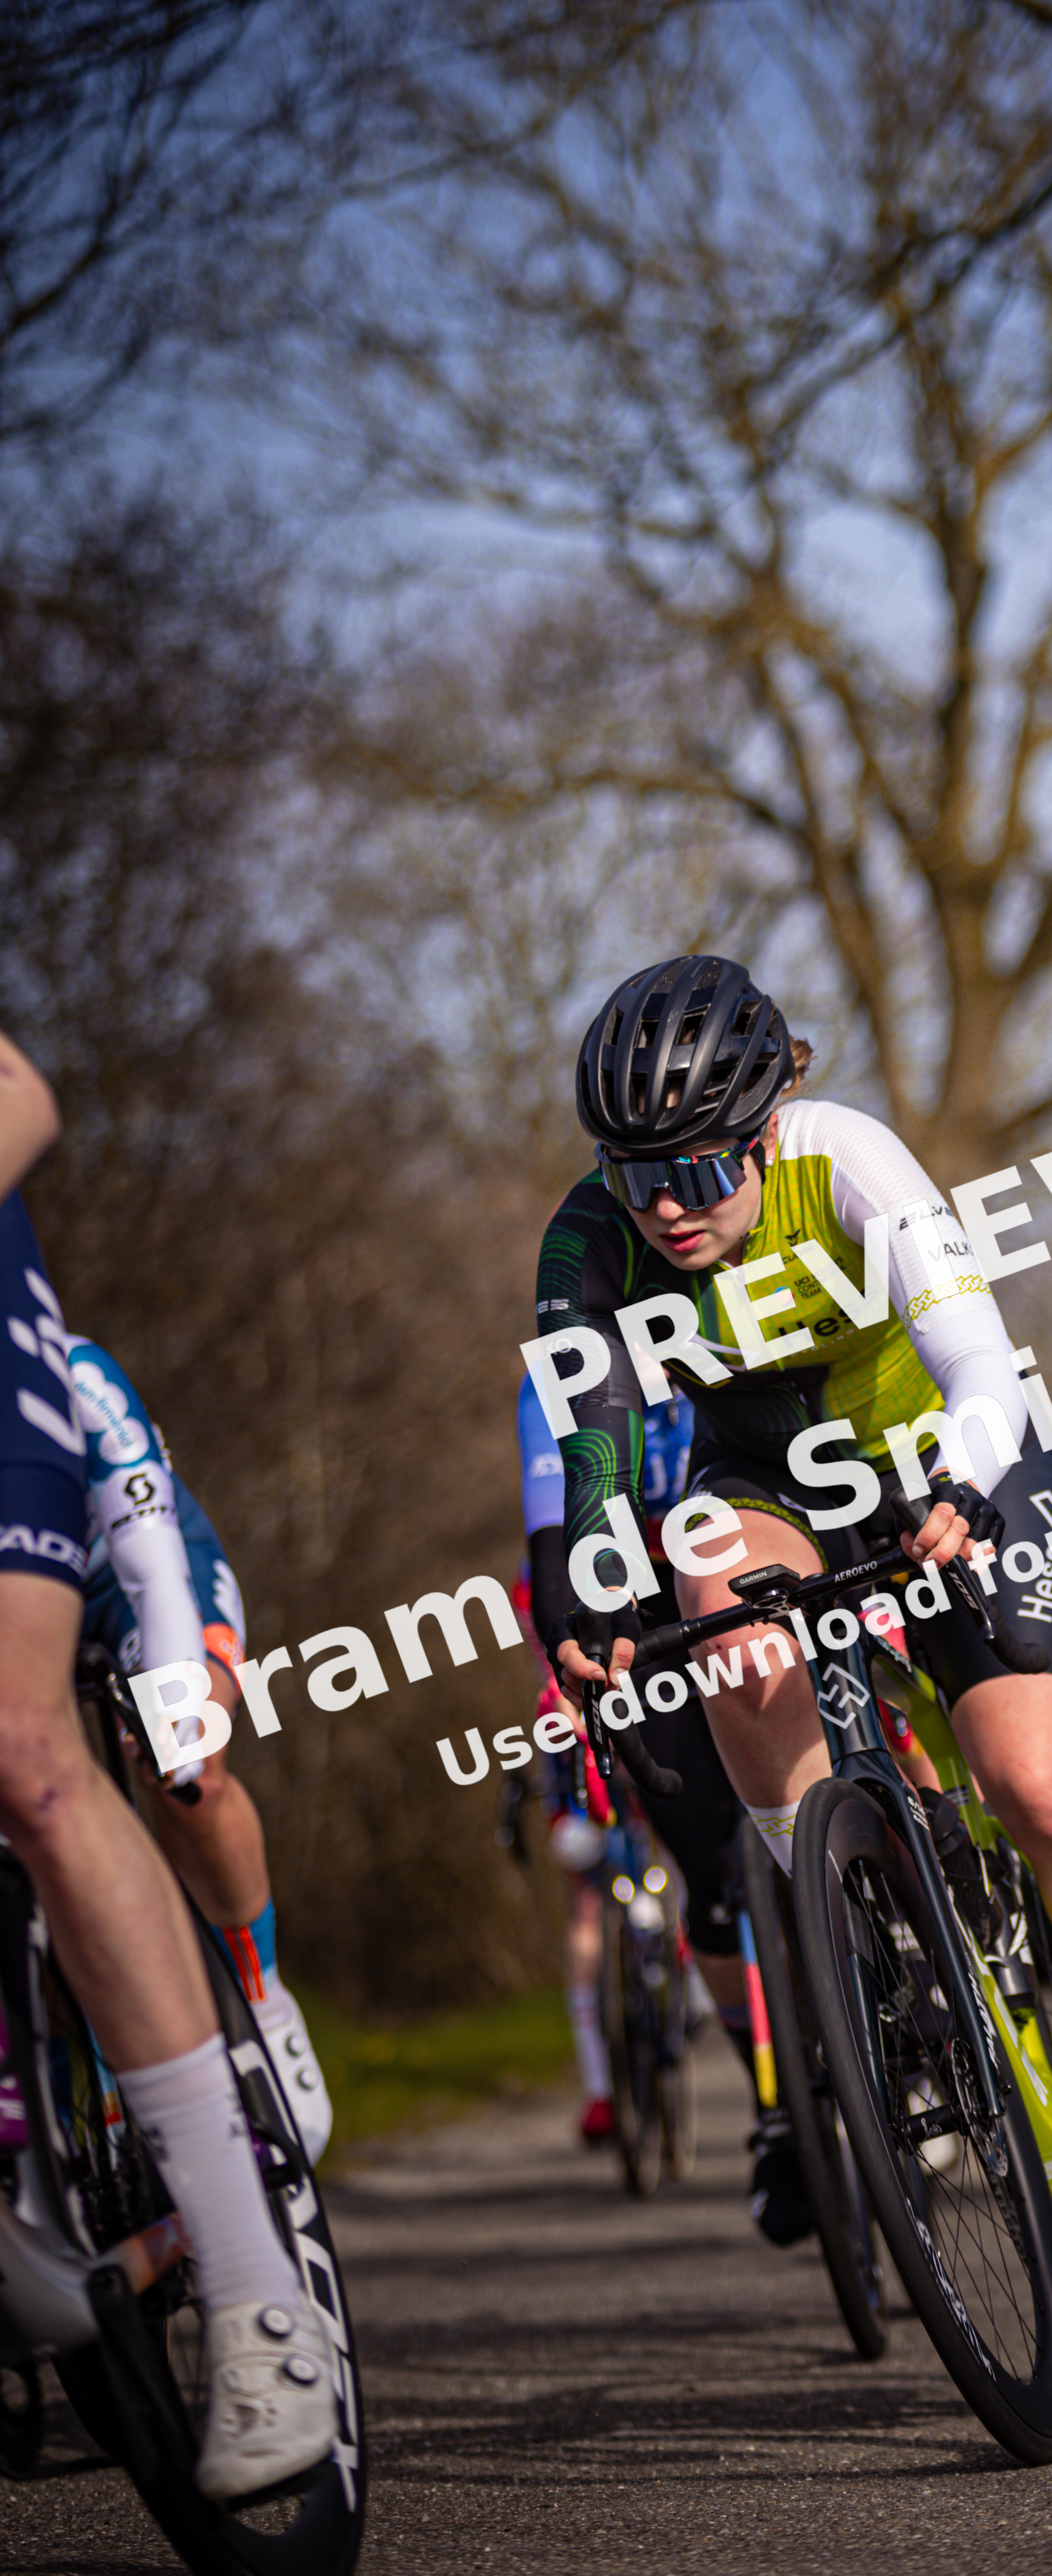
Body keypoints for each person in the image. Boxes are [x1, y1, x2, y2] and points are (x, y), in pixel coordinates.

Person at [535, 956, 1052, 2279]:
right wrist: (588, 1585)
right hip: (771, 1482)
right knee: (708, 1591)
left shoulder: (844, 1158)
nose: (667, 1208)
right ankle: (859, 1927)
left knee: (1040, 1788)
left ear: (763, 1135)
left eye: (700, 1172)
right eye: (634, 1172)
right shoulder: (589, 1240)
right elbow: (591, 1460)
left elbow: (978, 1352)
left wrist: (962, 1482)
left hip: (953, 1454)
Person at [0, 1030, 333, 2498]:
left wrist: (185, 1663)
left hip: (119, 1533)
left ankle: (255, 1983)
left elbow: (142, 1534)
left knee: (155, 1759)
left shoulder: (82, 1373)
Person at [516, 1366, 818, 2238]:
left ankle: (913, 1995)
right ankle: (774, 2105)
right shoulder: (559, 1378)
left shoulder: (724, 1315)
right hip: (637, 1606)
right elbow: (549, 1550)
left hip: (770, 1549)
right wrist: (571, 1654)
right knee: (711, 1886)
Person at [69, 1331, 333, 2160]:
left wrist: (178, 1727)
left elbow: (155, 1576)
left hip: (137, 1575)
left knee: (191, 1771)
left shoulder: (73, 1374)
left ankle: (261, 1994)